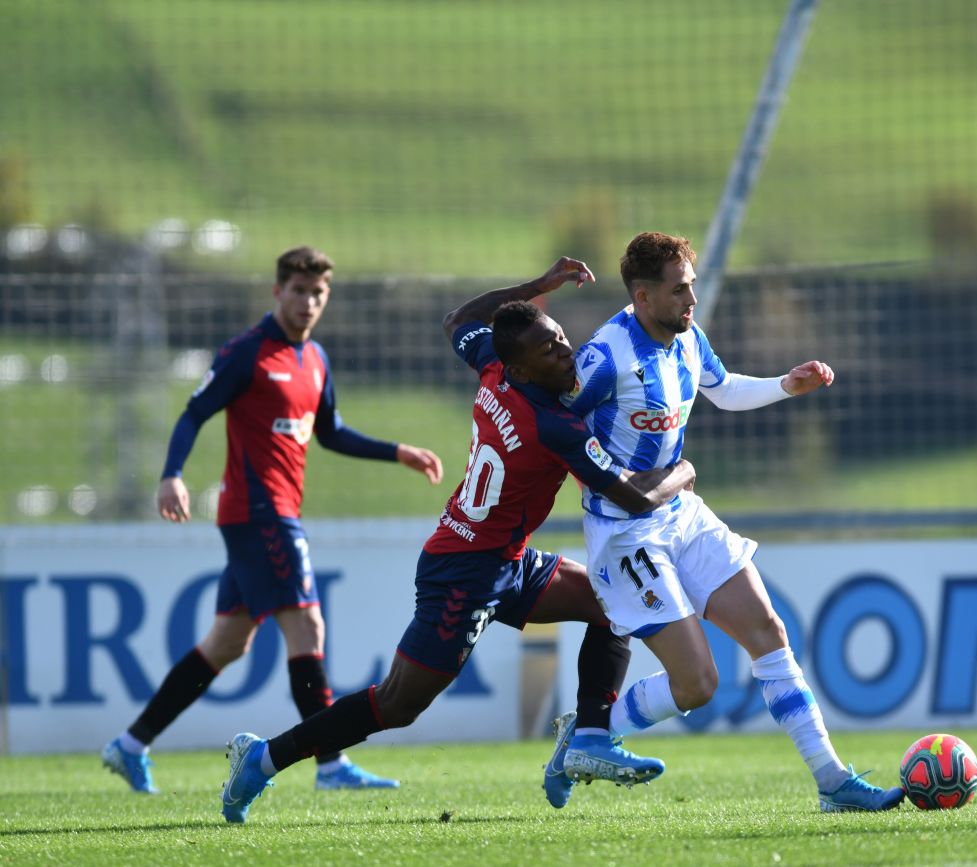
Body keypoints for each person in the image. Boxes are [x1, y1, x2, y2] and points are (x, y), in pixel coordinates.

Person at [217, 257, 697, 823]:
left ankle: (588, 735)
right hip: (464, 573)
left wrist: (538, 289)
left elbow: (459, 316)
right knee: (397, 705)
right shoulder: (555, 428)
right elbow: (635, 497)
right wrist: (684, 469)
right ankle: (264, 757)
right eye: (549, 351)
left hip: (506, 559)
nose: (566, 353)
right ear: (521, 369)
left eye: (562, 339)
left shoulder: (494, 366)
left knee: (610, 605)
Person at [547, 231, 903, 813]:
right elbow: (558, 427)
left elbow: (723, 389)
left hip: (681, 510)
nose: (692, 299)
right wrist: (598, 479)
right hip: (626, 532)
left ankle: (832, 781)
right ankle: (587, 732)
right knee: (698, 686)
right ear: (642, 296)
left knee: (768, 629)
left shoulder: (688, 339)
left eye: (693, 286)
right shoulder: (605, 356)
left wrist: (787, 386)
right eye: (681, 289)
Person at [101, 246, 445, 794]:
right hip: (259, 514)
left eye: (318, 294)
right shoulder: (247, 353)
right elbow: (195, 412)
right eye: (299, 291)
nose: (308, 302)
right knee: (307, 627)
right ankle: (331, 765)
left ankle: (129, 744)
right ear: (277, 292)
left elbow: (329, 431)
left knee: (226, 644)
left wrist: (397, 451)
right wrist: (171, 473)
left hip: (274, 514)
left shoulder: (315, 359)